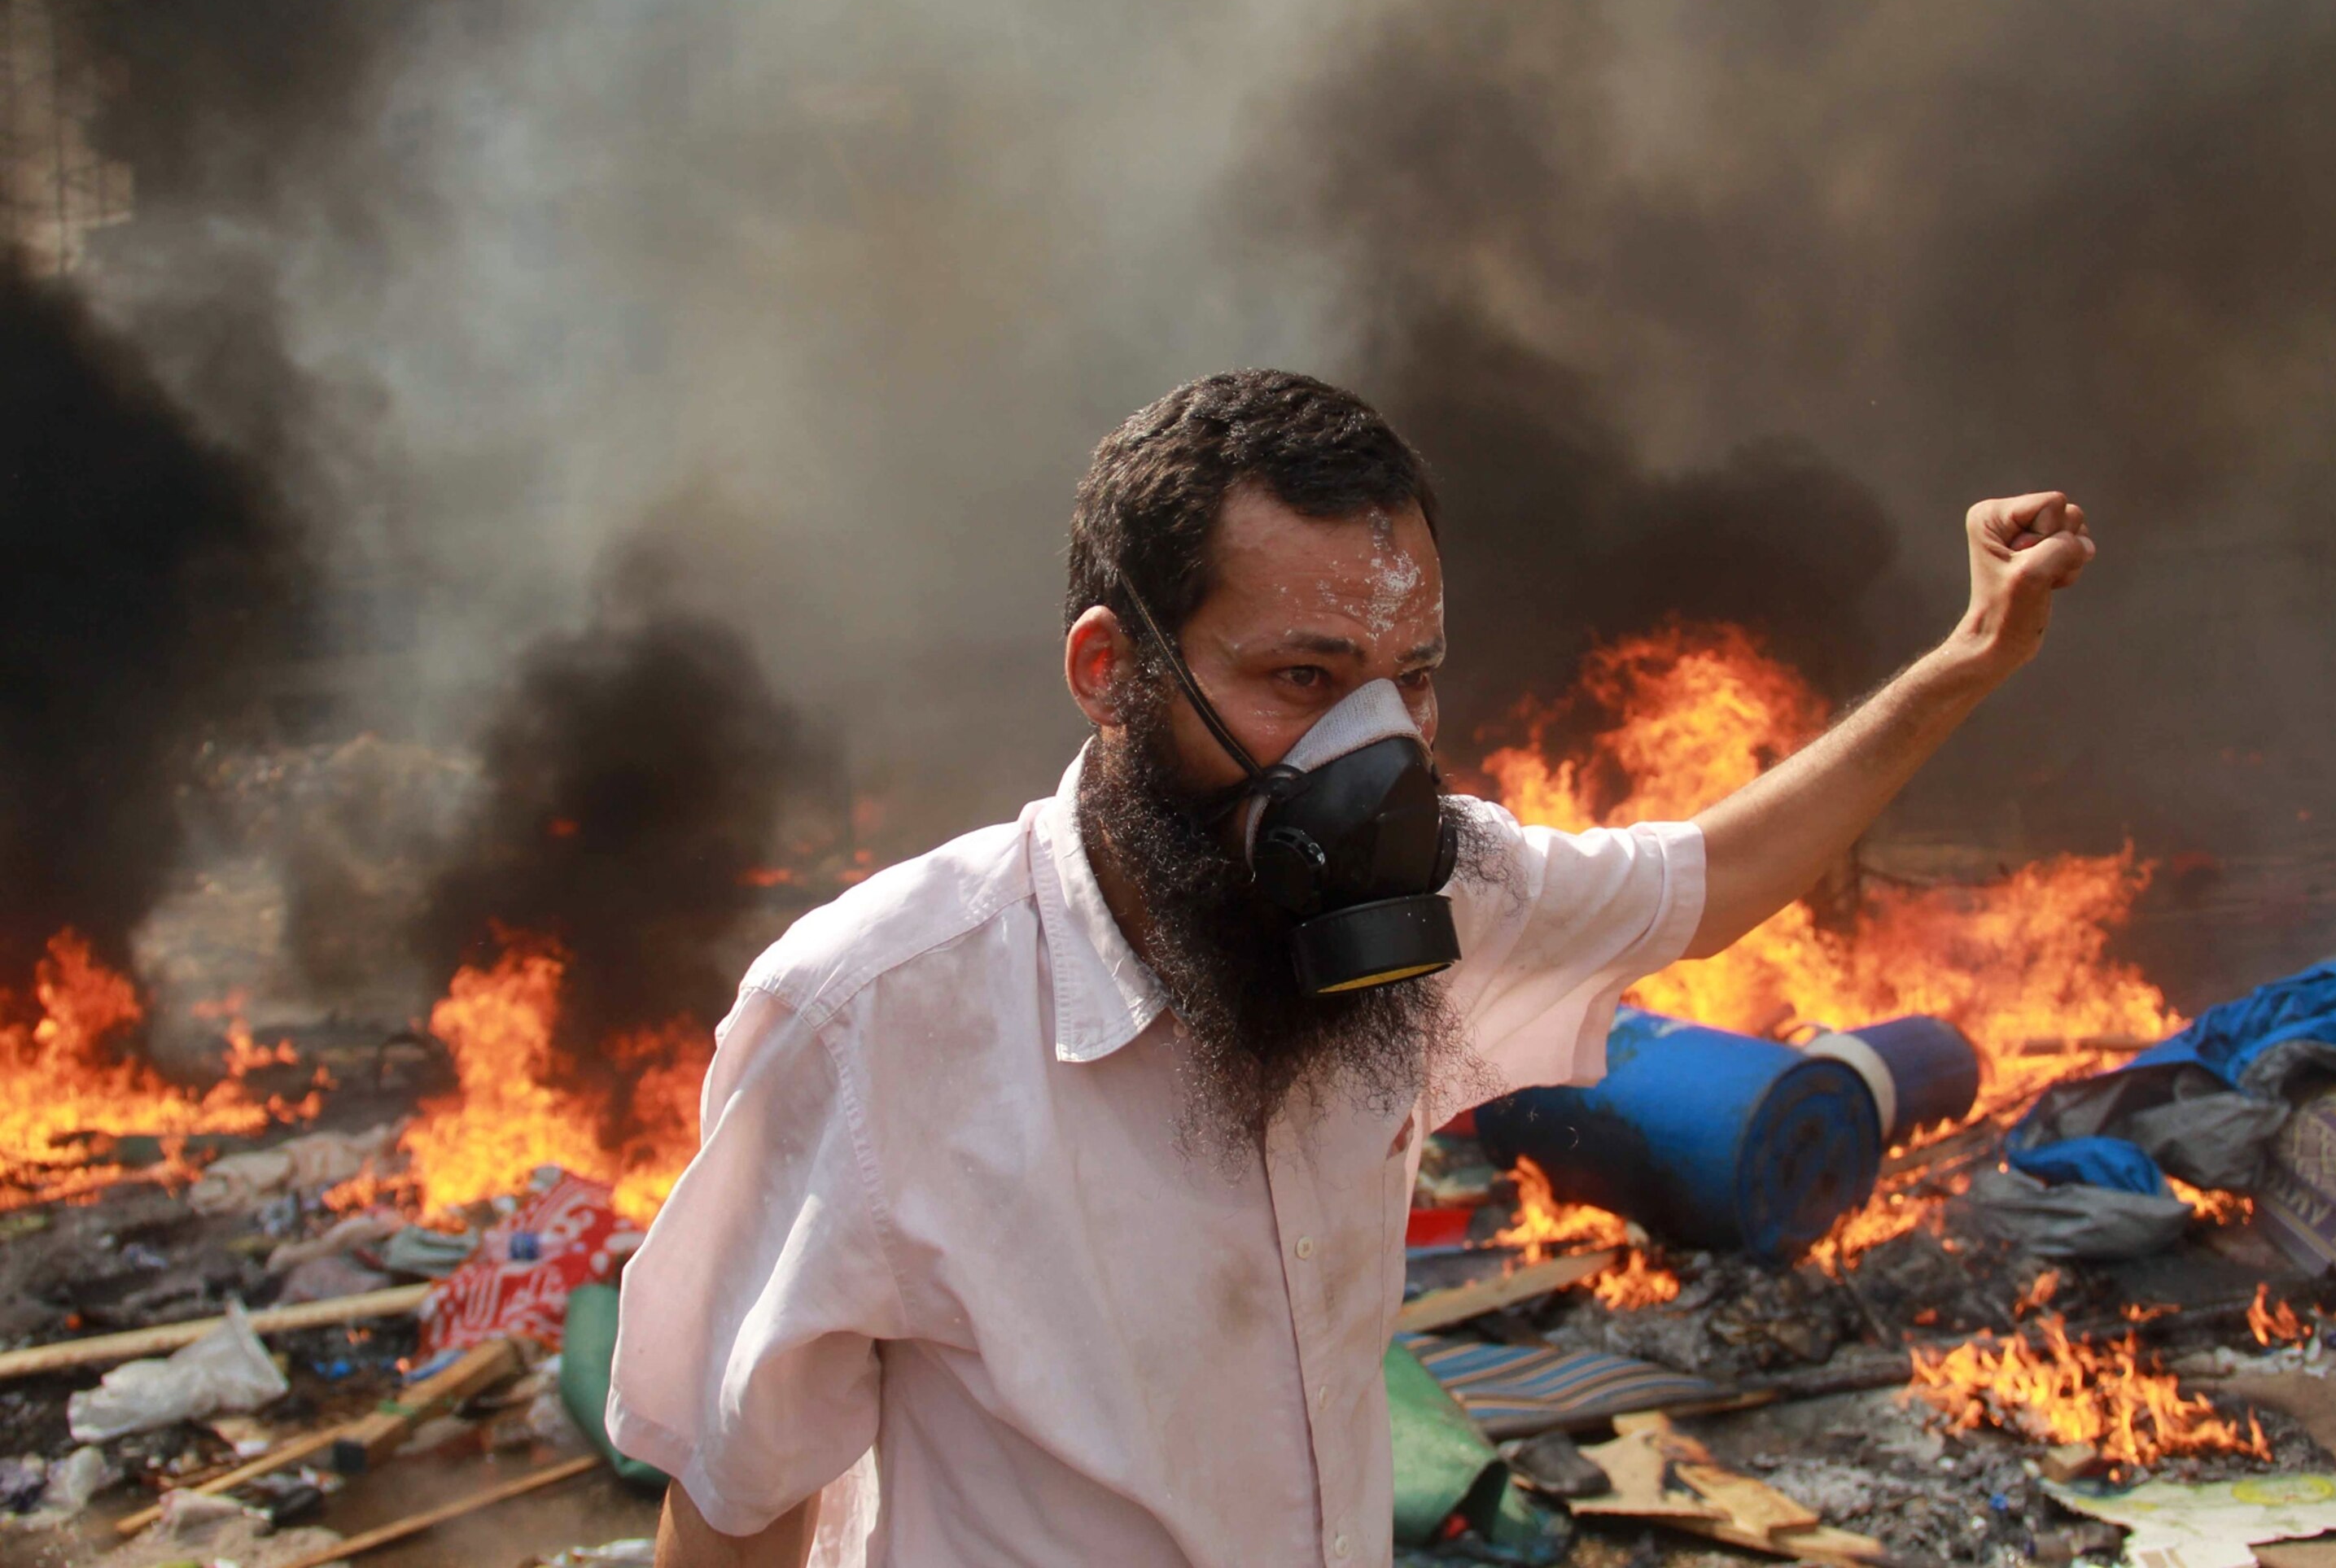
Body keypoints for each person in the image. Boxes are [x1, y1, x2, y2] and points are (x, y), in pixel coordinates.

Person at [610, 370, 2094, 1567]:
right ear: (1110, 671)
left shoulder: (1434, 906)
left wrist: (1969, 658)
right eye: (1303, 679)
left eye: (1411, 681)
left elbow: (1704, 884)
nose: (1371, 755)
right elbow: (734, 1510)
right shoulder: (874, 1016)